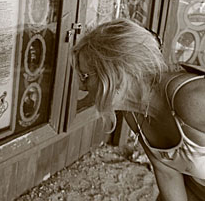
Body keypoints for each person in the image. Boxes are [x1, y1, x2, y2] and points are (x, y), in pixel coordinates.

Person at [71, 18, 205, 200]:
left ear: (116, 73)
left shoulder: (192, 99)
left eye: (85, 76)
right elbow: (167, 173)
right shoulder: (134, 115)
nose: (81, 87)